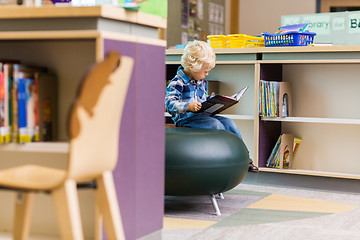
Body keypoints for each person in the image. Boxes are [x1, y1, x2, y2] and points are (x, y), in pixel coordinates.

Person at [165, 40, 259, 173]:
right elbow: (169, 103)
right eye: (205, 71)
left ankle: (245, 156)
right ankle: (221, 158)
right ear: (193, 68)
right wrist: (187, 106)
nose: (207, 74)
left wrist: (218, 100)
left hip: (202, 116)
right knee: (215, 125)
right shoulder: (177, 82)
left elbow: (203, 99)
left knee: (229, 122)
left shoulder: (199, 80)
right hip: (186, 119)